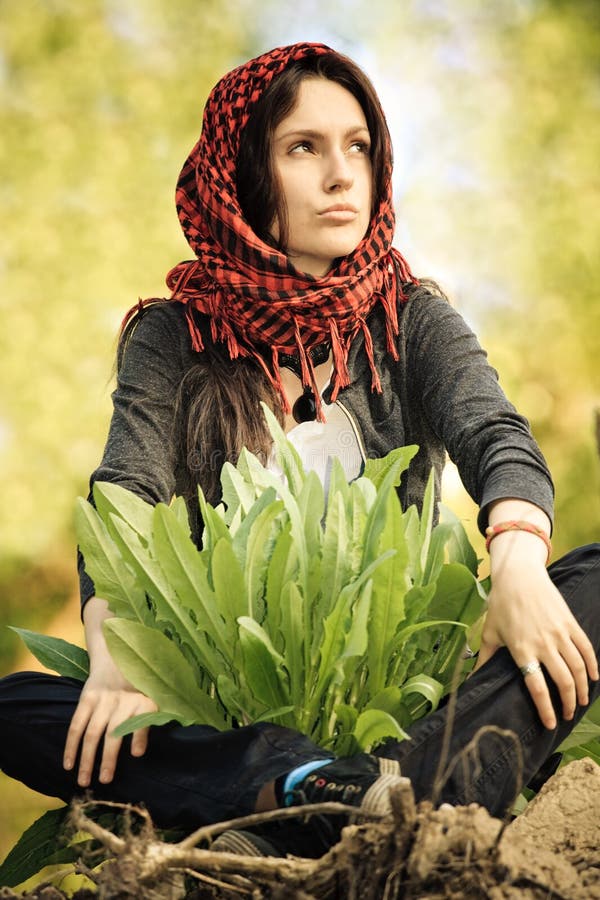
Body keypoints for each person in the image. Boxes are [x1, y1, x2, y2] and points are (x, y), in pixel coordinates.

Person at [1, 42, 598, 859]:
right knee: (19, 708)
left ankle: (376, 792)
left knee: (595, 582)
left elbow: (497, 436)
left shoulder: (409, 315)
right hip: (229, 709)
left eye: (358, 146)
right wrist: (113, 652)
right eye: (303, 148)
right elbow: (124, 497)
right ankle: (306, 783)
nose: (341, 174)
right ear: (246, 176)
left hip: (407, 703)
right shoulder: (174, 336)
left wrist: (520, 563)